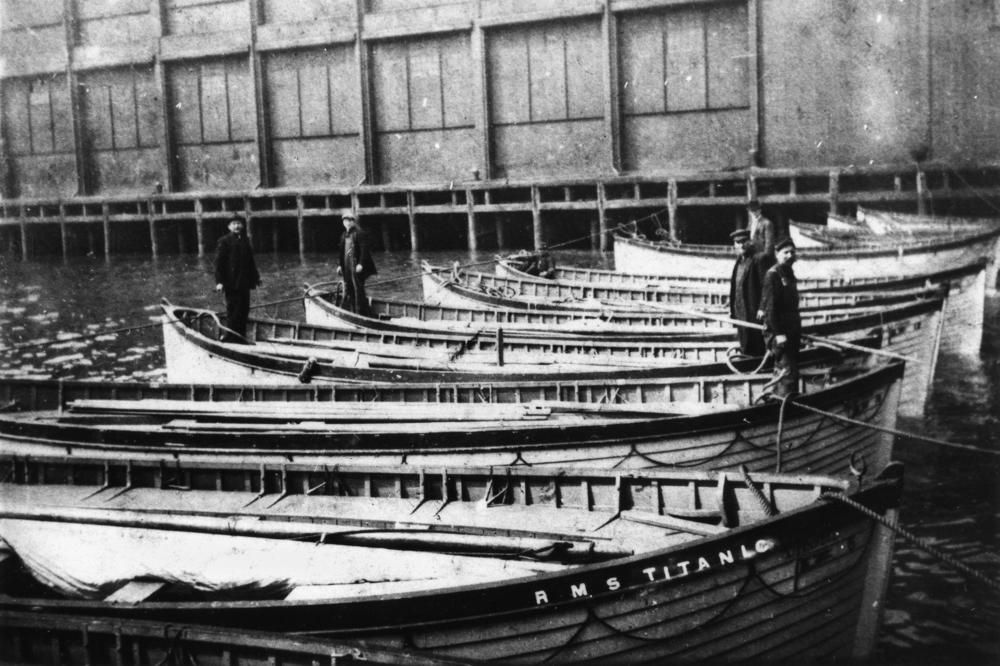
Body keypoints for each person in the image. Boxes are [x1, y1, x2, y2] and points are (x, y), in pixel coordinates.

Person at [760, 238, 801, 398]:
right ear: (777, 254)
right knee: (788, 372)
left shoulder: (789, 273)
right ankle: (785, 407)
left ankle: (781, 399)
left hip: (791, 330)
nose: (790, 255)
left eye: (792, 252)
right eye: (786, 253)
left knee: (787, 369)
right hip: (779, 332)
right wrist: (778, 334)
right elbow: (771, 309)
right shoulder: (773, 275)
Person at [214, 215, 261, 343]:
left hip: (245, 283)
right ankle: (230, 338)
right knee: (233, 311)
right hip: (231, 283)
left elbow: (251, 262)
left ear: (243, 226)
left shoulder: (245, 240)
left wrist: (256, 278)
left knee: (243, 311)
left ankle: (241, 337)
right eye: (234, 224)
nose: (237, 226)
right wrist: (219, 282)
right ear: (229, 226)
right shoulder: (224, 241)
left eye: (239, 223)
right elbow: (219, 264)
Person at [728, 228, 770, 357]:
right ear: (734, 245)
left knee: (755, 338)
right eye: (738, 243)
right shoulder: (739, 261)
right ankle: (747, 359)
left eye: (744, 242)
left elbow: (766, 286)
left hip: (753, 309)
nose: (741, 245)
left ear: (750, 242)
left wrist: (762, 308)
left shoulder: (758, 259)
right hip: (740, 308)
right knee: (743, 337)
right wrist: (731, 305)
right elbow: (737, 285)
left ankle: (758, 363)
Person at [337, 210, 376, 315]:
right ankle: (352, 311)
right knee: (349, 289)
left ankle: (362, 313)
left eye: (350, 220)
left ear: (353, 222)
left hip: (356, 267)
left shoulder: (359, 233)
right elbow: (342, 253)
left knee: (358, 290)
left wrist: (361, 264)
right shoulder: (343, 235)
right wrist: (340, 265)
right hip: (347, 266)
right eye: (346, 220)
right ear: (343, 222)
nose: (348, 222)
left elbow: (364, 250)